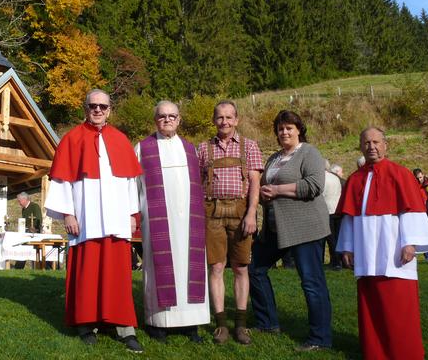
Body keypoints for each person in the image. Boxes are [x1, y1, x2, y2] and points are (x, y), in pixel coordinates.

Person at [44, 89, 144, 353]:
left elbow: (130, 183)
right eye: (93, 106)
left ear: (110, 109)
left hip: (116, 220)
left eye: (103, 106)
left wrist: (133, 215)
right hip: (86, 221)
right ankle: (87, 324)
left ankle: (124, 327)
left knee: (118, 274)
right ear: (85, 108)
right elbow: (62, 181)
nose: (98, 110)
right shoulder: (72, 139)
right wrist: (67, 213)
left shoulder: (121, 140)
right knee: (87, 273)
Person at [336, 127, 428, 360]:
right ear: (361, 146)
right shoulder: (355, 178)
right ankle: (376, 353)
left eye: (376, 142)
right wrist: (348, 247)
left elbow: (412, 211)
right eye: (366, 143)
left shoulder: (400, 174)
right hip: (365, 250)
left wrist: (410, 243)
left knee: (399, 306)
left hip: (394, 249)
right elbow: (350, 217)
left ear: (385, 145)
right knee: (371, 304)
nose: (371, 147)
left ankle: (405, 353)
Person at [249, 110, 332, 352]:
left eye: (289, 128)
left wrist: (276, 190)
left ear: (299, 130)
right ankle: (267, 323)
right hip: (276, 228)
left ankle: (320, 337)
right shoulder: (274, 158)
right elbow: (267, 187)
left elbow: (314, 185)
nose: (284, 132)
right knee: (255, 268)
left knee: (311, 282)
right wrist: (265, 194)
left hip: (306, 227)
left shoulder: (309, 152)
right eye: (280, 128)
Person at [135, 101, 209, 343]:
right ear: (155, 119)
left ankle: (190, 324)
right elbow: (133, 186)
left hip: (189, 221)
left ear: (179, 120)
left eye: (172, 116)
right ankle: (159, 323)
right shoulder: (143, 148)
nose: (167, 120)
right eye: (162, 116)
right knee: (158, 268)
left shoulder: (190, 149)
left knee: (190, 266)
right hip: (156, 221)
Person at [198, 100, 263, 345]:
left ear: (237, 120)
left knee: (241, 268)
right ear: (214, 121)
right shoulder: (203, 148)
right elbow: (197, 183)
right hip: (211, 211)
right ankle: (221, 325)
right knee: (215, 268)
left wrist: (251, 213)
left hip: (240, 211)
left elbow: (255, 183)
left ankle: (242, 325)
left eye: (229, 117)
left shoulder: (250, 146)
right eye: (219, 117)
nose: (224, 122)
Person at [13, 192, 44, 269]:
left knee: (26, 249)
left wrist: (34, 228)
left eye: (19, 201)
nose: (19, 203)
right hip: (26, 233)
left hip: (34, 234)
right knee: (22, 249)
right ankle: (18, 267)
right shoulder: (24, 209)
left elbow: (39, 219)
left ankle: (18, 267)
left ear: (24, 199)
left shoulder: (34, 206)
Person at [323, 161, 343, 270]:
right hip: (337, 210)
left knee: (331, 239)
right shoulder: (335, 178)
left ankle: (335, 262)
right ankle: (339, 260)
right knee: (338, 236)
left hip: (327, 211)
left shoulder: (322, 178)